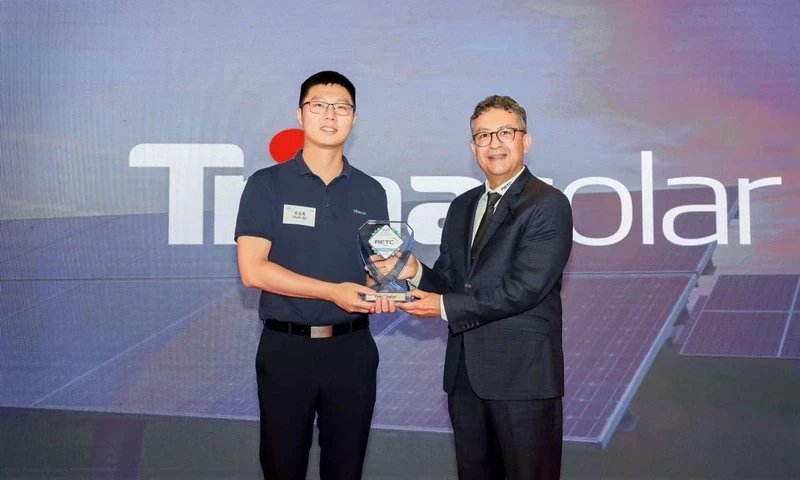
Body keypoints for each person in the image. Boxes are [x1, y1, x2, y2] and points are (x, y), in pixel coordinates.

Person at [377, 95, 573, 479]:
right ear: (473, 148)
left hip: (522, 380)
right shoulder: (463, 206)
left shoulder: (548, 204)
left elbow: (525, 289)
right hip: (465, 379)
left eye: (505, 133)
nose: (494, 144)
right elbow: (451, 282)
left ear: (526, 141)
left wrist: (443, 307)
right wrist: (414, 270)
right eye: (483, 136)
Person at [234, 70, 387, 480]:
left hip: (353, 352)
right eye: (319, 105)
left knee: (346, 469)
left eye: (342, 107)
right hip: (287, 351)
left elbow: (375, 270)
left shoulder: (372, 191)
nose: (330, 115)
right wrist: (332, 291)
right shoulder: (266, 184)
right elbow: (252, 270)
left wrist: (385, 289)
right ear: (300, 114)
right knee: (282, 468)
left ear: (354, 118)